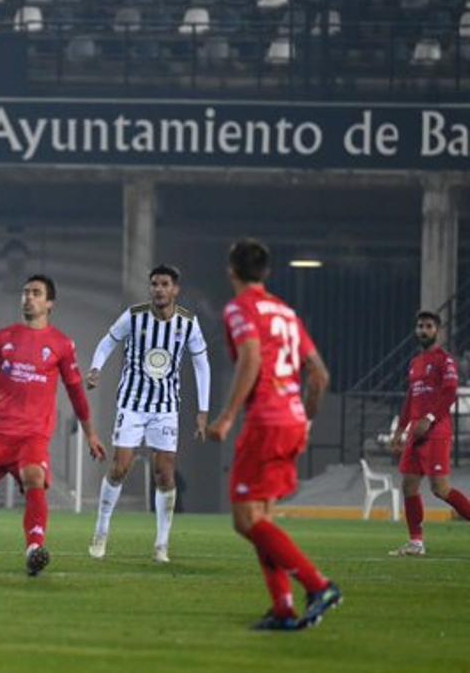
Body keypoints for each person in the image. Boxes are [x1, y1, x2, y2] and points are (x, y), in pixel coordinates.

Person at [206, 238, 341, 631]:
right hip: (292, 419)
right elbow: (320, 375)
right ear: (265, 272)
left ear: (231, 270)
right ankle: (282, 608)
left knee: (244, 519)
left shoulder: (240, 308)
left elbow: (250, 358)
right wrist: (305, 419)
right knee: (261, 517)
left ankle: (319, 586)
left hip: (266, 421)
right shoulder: (286, 311)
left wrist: (227, 416)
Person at [0, 275, 106, 580]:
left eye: (36, 293)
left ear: (49, 303)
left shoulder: (61, 344)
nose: (28, 297)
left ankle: (34, 550)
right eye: (26, 292)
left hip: (32, 435)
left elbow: (76, 392)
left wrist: (91, 434)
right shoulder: (5, 336)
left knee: (34, 477)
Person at [86, 265, 211, 564]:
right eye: (154, 284)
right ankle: (100, 533)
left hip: (166, 407)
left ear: (175, 289)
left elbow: (201, 364)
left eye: (164, 284)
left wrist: (203, 410)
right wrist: (95, 368)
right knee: (120, 467)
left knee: (164, 474)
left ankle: (161, 544)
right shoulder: (134, 316)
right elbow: (108, 341)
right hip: (132, 403)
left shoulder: (188, 323)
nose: (158, 289)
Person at [388, 310, 470, 556]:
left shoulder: (445, 360)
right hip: (416, 432)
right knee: (409, 486)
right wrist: (400, 430)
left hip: (436, 431)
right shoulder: (415, 363)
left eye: (428, 326)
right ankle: (416, 543)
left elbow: (450, 392)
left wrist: (430, 418)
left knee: (440, 488)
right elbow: (410, 399)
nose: (423, 330)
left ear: (438, 331)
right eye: (420, 326)